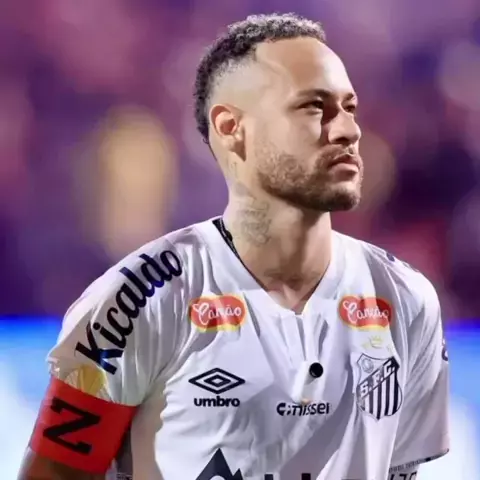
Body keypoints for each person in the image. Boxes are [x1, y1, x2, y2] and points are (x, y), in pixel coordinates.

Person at [18, 13, 450, 480]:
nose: (348, 130)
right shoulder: (138, 299)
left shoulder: (406, 300)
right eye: (312, 107)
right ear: (231, 128)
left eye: (349, 107)